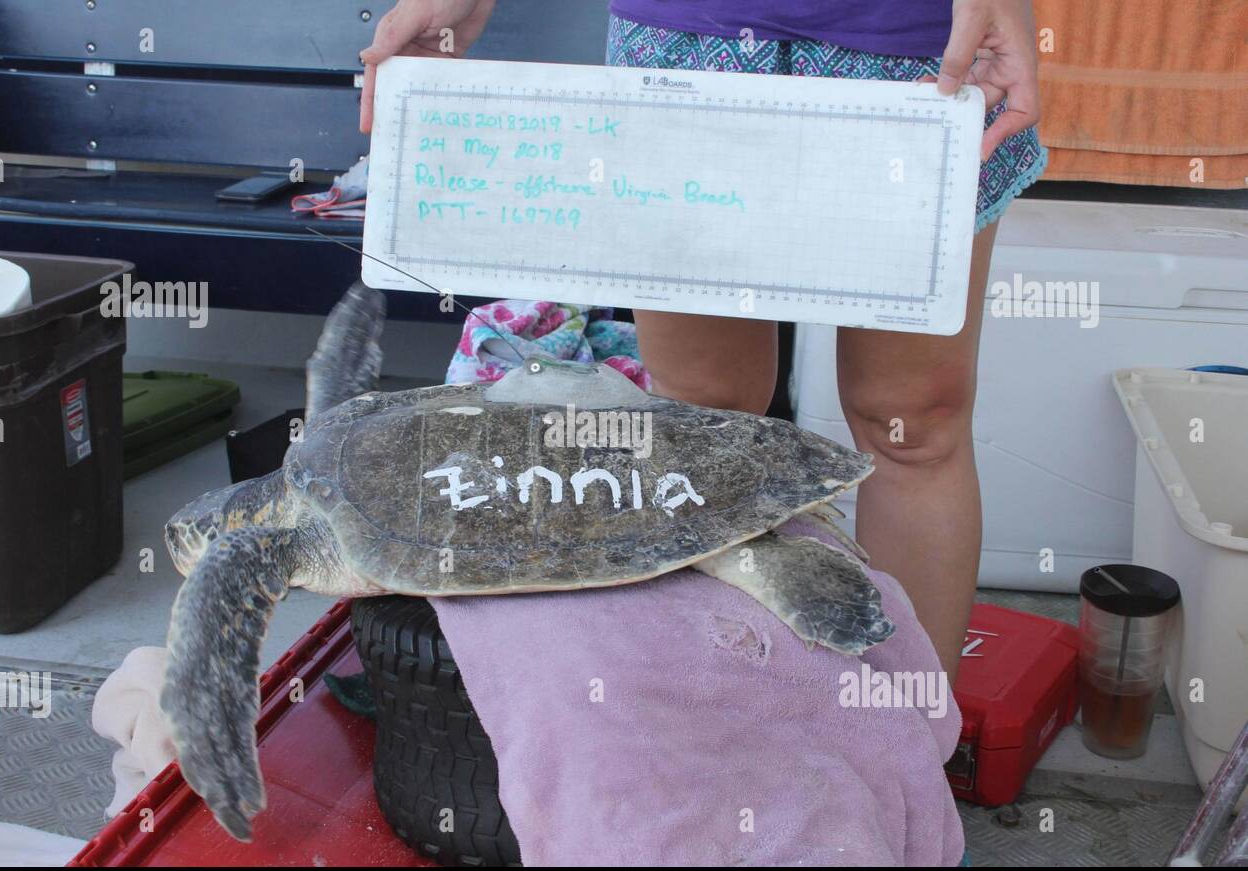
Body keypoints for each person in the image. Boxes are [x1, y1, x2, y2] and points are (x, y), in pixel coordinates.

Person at [359, 0, 1046, 683]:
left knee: (912, 425)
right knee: (702, 418)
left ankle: (911, 754)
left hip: (921, 50)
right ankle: (717, 733)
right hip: (687, 41)